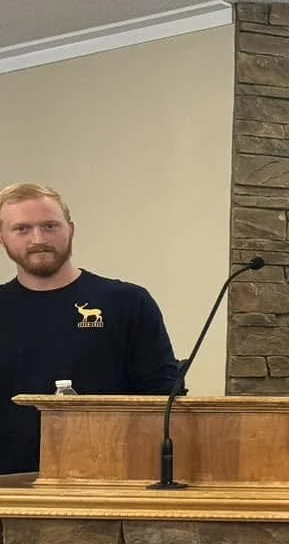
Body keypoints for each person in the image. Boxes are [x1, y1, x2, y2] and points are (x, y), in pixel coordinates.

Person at [0, 182, 178, 476]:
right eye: (22, 229)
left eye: (50, 226)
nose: (39, 238)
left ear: (70, 230)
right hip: (9, 486)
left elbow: (162, 399)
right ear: (3, 238)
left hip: (110, 481)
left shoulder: (128, 302)